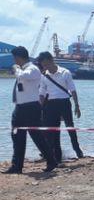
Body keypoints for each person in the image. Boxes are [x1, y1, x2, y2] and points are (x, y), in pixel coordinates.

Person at [3, 46, 56, 174]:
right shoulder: (24, 69)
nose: (14, 60)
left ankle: (51, 160)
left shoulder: (32, 69)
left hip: (31, 107)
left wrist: (16, 69)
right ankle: (17, 166)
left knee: (36, 135)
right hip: (20, 107)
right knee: (17, 135)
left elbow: (23, 76)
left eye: (14, 58)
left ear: (18, 57)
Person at [37, 51, 84, 161]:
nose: (45, 66)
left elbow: (72, 89)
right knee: (53, 131)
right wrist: (39, 107)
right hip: (50, 104)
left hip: (64, 102)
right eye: (43, 65)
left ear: (51, 60)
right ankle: (56, 155)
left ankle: (77, 149)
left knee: (70, 127)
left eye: (46, 63)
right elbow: (41, 93)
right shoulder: (43, 76)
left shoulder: (65, 72)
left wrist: (77, 105)